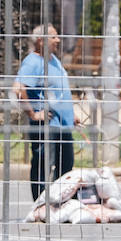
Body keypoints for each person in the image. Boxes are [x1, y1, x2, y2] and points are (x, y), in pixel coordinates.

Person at [11, 25, 75, 201]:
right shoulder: (33, 62)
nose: (58, 40)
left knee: (66, 166)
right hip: (46, 125)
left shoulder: (53, 59)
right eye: (53, 37)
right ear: (41, 40)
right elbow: (18, 89)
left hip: (62, 124)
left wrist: (70, 114)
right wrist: (33, 114)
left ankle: (59, 202)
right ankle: (40, 204)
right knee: (43, 166)